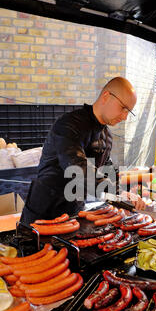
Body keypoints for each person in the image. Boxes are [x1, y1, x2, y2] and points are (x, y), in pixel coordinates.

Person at [20, 77, 146, 225]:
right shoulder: (69, 125)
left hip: (75, 212)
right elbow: (77, 168)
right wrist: (118, 193)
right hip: (44, 211)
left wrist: (125, 196)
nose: (124, 117)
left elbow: (106, 170)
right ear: (106, 96)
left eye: (129, 112)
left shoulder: (106, 136)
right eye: (123, 108)